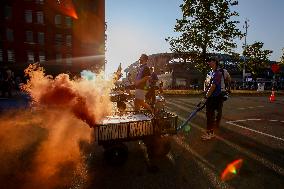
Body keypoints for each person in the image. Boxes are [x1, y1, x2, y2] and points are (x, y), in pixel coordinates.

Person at [201, 57, 224, 140]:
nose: (208, 63)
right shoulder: (210, 73)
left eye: (209, 61)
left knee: (210, 116)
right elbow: (206, 84)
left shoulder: (218, 73)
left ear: (214, 62)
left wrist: (206, 96)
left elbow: (213, 86)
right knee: (209, 115)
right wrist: (205, 92)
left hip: (215, 97)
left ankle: (210, 133)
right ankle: (211, 132)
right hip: (210, 97)